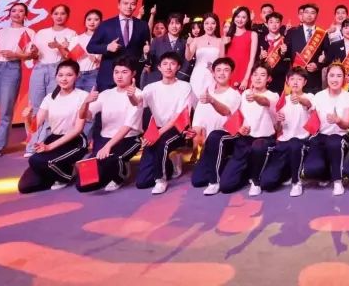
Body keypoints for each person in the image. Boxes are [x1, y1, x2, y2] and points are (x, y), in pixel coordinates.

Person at [18, 60, 89, 192]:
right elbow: (34, 127)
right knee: (25, 186)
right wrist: (27, 118)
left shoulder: (82, 96)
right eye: (60, 75)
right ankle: (57, 172)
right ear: (56, 76)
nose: (64, 79)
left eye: (69, 75)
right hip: (54, 138)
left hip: (75, 141)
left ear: (77, 76)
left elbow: (78, 129)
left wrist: (49, 147)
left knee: (45, 162)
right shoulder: (49, 98)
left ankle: (68, 175)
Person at [0, 2, 36, 158]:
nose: (17, 13)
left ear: (25, 15)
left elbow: (30, 56)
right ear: (9, 13)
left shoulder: (29, 32)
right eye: (14, 10)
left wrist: (15, 54)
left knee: (5, 110)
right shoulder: (0, 31)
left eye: (21, 11)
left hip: (11, 68)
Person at [76, 57, 143, 193]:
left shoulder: (138, 94)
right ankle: (112, 169)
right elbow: (85, 115)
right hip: (105, 138)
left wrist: (108, 146)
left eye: (124, 72)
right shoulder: (106, 94)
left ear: (133, 74)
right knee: (83, 185)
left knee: (113, 159)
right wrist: (86, 102)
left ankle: (121, 174)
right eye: (116, 72)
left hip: (129, 139)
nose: (119, 76)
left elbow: (127, 126)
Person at [131, 51, 193, 194]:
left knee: (162, 144)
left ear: (178, 67)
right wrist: (131, 95)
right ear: (159, 67)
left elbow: (178, 117)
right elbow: (137, 103)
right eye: (165, 64)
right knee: (142, 182)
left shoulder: (185, 86)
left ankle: (161, 180)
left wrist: (157, 134)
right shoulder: (150, 87)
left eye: (172, 64)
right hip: (157, 128)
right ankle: (172, 163)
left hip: (177, 128)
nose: (168, 67)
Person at [25, 4, 78, 157]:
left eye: (62, 13)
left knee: (51, 109)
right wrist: (33, 52)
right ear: (51, 15)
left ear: (67, 16)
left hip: (58, 70)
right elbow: (33, 55)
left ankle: (44, 143)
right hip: (39, 69)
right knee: (36, 108)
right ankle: (31, 144)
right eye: (56, 13)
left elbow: (70, 57)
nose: (59, 16)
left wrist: (59, 46)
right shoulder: (41, 33)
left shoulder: (72, 34)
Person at [219, 65, 277, 196]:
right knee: (226, 186)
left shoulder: (273, 95)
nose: (258, 78)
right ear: (251, 77)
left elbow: (265, 101)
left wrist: (255, 97)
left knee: (258, 146)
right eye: (255, 74)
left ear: (269, 79)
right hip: (244, 140)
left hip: (264, 141)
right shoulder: (244, 94)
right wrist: (239, 128)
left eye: (262, 75)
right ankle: (247, 172)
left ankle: (256, 181)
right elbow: (234, 116)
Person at [190, 57, 244, 195]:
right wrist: (193, 134)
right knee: (197, 180)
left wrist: (212, 101)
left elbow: (226, 111)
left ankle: (214, 182)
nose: (222, 73)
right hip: (210, 143)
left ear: (231, 73)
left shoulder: (235, 95)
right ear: (213, 73)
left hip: (229, 137)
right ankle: (224, 164)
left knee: (215, 135)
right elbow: (197, 124)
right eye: (218, 70)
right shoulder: (206, 95)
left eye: (226, 70)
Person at [302, 63, 349, 195]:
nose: (335, 79)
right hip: (321, 136)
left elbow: (346, 125)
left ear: (344, 79)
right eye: (332, 75)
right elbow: (312, 116)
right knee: (311, 169)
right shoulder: (319, 96)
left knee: (333, 142)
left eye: (339, 76)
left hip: (340, 136)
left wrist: (338, 120)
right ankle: (325, 174)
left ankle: (338, 180)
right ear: (326, 78)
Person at [261, 68, 312, 196]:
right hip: (284, 142)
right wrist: (278, 121)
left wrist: (299, 99)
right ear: (287, 81)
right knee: (267, 183)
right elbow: (278, 129)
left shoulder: (309, 96)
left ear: (305, 82)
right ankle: (288, 172)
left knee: (295, 143)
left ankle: (296, 182)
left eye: (299, 79)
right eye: (292, 79)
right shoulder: (282, 100)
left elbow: (308, 104)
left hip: (301, 141)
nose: (295, 82)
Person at [87, 0, 151, 91]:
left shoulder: (142, 25)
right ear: (118, 5)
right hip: (108, 77)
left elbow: (145, 54)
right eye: (125, 3)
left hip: (132, 78)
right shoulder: (106, 25)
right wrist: (107, 47)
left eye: (133, 4)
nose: (129, 7)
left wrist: (145, 55)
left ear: (136, 6)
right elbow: (90, 47)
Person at [286, 3, 329, 93]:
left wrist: (318, 65)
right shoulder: (292, 32)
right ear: (302, 15)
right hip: (296, 80)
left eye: (312, 13)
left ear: (316, 15)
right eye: (306, 12)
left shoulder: (322, 34)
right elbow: (286, 55)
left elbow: (328, 56)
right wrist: (282, 52)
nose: (309, 15)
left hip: (314, 81)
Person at [144, 12, 189, 88]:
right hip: (157, 80)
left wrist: (179, 78)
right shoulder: (156, 41)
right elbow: (149, 61)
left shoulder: (185, 43)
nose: (174, 26)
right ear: (167, 25)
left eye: (177, 23)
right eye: (172, 23)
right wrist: (145, 54)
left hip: (177, 81)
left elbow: (186, 62)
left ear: (181, 26)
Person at [187, 13, 225, 99]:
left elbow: (222, 61)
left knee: (211, 100)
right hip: (198, 75)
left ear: (216, 25)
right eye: (207, 23)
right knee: (195, 100)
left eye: (213, 23)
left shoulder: (220, 41)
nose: (210, 26)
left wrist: (214, 69)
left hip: (213, 76)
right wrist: (187, 45)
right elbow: (188, 57)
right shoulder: (196, 40)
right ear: (203, 25)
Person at [224, 7, 258, 89]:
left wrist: (246, 79)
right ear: (234, 18)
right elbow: (223, 57)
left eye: (243, 17)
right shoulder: (228, 35)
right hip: (228, 74)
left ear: (247, 19)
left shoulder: (253, 34)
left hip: (245, 74)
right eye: (238, 16)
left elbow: (252, 59)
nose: (240, 20)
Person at [71, 9, 102, 96]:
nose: (92, 22)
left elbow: (104, 58)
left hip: (94, 73)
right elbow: (71, 58)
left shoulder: (103, 39)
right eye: (89, 19)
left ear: (100, 22)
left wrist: (98, 60)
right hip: (78, 74)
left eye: (96, 19)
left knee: (92, 100)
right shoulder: (76, 38)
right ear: (85, 21)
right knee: (77, 101)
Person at [259, 11, 291, 93]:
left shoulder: (286, 40)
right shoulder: (261, 40)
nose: (274, 25)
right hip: (263, 78)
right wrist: (260, 57)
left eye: (277, 22)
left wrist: (283, 54)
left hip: (280, 79)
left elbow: (289, 59)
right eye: (271, 22)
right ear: (267, 24)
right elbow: (254, 59)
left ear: (280, 24)